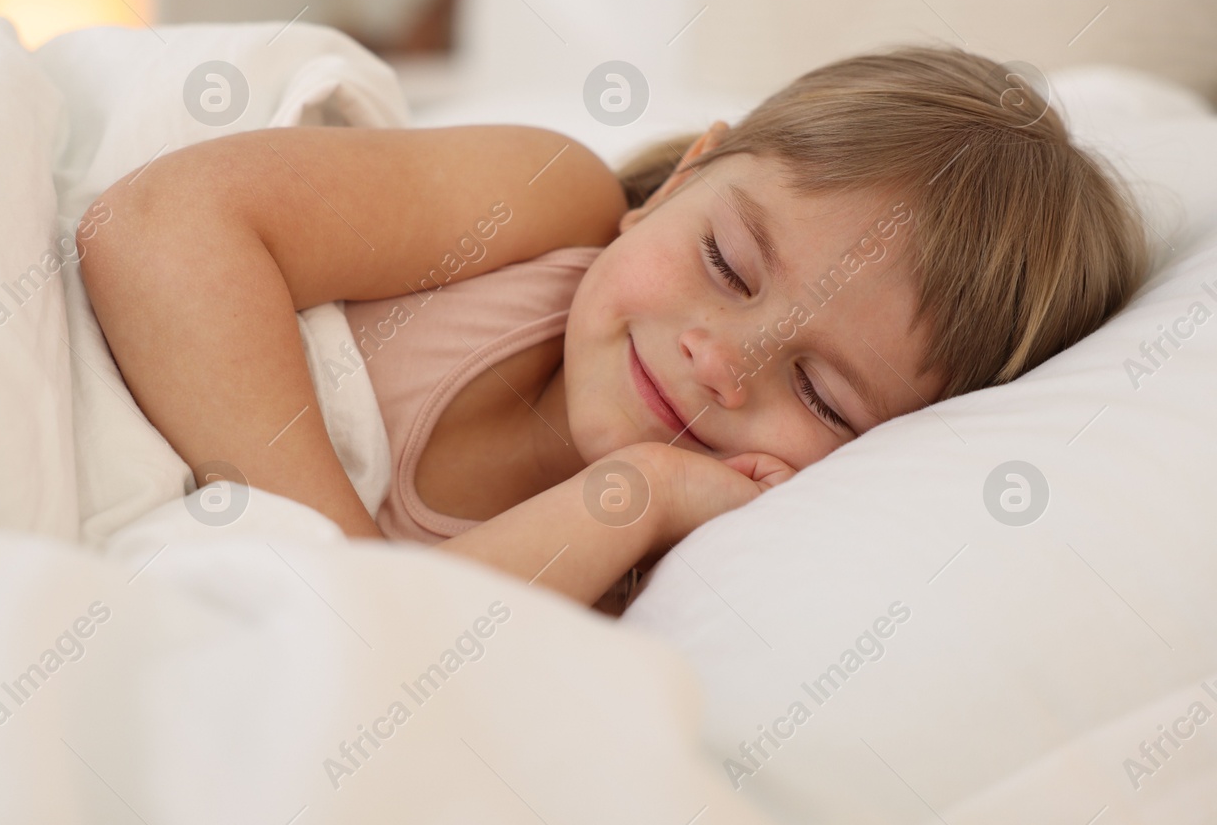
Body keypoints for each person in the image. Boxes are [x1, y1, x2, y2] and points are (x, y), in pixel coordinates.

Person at [77, 45, 1150, 612]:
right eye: (725, 262)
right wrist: (337, 575)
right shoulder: (540, 207)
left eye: (823, 395)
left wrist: (628, 501)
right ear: (682, 176)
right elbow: (158, 225)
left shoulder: (655, 578)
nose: (721, 361)